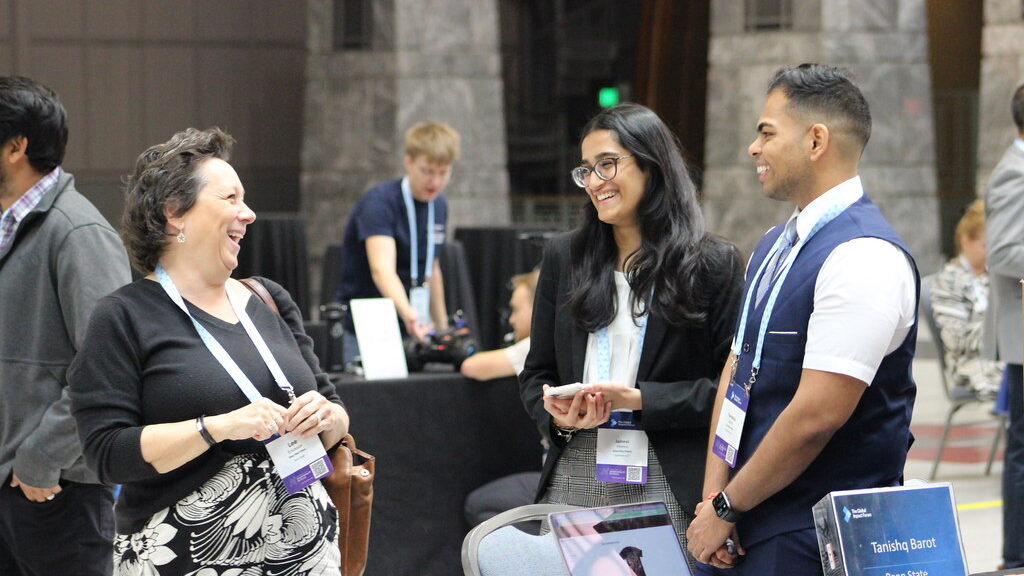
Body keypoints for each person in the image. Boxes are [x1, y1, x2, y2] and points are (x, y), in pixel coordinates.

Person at [68, 128, 349, 575]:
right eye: (231, 198)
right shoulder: (123, 316)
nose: (249, 213)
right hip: (184, 557)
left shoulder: (268, 298)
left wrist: (328, 419)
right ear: (175, 214)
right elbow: (106, 453)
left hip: (303, 554)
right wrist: (218, 427)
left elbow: (335, 410)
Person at [686, 64, 918, 576]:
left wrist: (728, 507)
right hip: (741, 515)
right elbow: (737, 368)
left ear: (816, 140)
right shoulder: (775, 244)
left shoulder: (863, 256)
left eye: (767, 132)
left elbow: (816, 417)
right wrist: (714, 495)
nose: (753, 147)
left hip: (815, 534)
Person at [519, 102, 745, 568]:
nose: (596, 181)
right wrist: (561, 417)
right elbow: (535, 372)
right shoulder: (565, 257)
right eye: (586, 170)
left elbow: (733, 396)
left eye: (608, 164)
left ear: (651, 164)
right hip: (577, 466)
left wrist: (640, 401)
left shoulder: (712, 265)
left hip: (669, 475)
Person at [0, 76, 131, 576]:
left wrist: (39, 459)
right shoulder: (13, 225)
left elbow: (108, 367)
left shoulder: (78, 233)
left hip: (57, 493)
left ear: (16, 147)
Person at [335, 121, 459, 365]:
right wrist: (409, 314)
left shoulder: (439, 205)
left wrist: (442, 326)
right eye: (427, 171)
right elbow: (382, 270)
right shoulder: (379, 203)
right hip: (368, 324)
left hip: (412, 325)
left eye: (442, 173)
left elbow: (431, 268)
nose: (434, 181)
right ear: (409, 162)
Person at [982, 81, 1024, 570]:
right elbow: (1006, 253)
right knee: (1022, 451)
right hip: (1021, 338)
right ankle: (1016, 556)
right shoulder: (1014, 173)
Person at [932, 199, 1001, 399]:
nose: (992, 252)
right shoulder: (948, 280)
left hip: (1001, 355)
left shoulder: (993, 274)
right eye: (985, 245)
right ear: (965, 241)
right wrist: (1004, 328)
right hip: (971, 364)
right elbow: (956, 339)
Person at [460, 268, 539, 381]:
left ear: (537, 308)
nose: (511, 320)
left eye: (516, 310)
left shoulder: (535, 346)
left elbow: (471, 367)